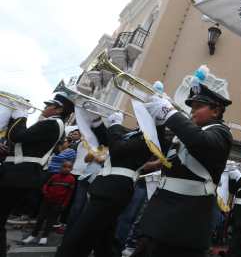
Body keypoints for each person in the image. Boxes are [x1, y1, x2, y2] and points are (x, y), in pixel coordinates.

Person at [133, 83, 233, 257]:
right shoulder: (188, 133)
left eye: (198, 107)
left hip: (185, 219)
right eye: (191, 108)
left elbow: (199, 142)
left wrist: (169, 113)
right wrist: (157, 123)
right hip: (161, 212)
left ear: (216, 111)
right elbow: (161, 152)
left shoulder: (221, 132)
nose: (192, 112)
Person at [55, 113, 152, 257]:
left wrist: (115, 124)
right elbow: (105, 140)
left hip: (115, 188)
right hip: (107, 185)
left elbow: (117, 148)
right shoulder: (131, 133)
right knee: (104, 239)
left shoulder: (151, 136)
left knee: (79, 237)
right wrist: (96, 121)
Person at [0, 93, 73, 257]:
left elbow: (16, 135)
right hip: (17, 172)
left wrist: (21, 116)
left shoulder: (52, 124)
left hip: (20, 175)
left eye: (49, 105)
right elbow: (21, 143)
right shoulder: (48, 124)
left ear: (59, 109)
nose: (45, 107)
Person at [22, 161, 75, 245]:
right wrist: (46, 193)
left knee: (50, 221)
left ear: (71, 169)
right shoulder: (55, 176)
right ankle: (33, 235)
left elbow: (69, 194)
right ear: (61, 167)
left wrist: (64, 204)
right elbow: (46, 185)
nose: (66, 169)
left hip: (58, 204)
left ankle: (44, 237)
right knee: (40, 218)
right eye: (64, 166)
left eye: (69, 167)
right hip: (46, 201)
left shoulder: (71, 179)